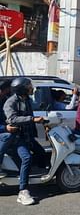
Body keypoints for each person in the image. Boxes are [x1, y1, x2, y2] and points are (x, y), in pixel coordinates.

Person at [3, 77, 46, 205]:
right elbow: (12, 119)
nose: (31, 88)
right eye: (29, 86)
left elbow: (30, 116)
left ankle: (32, 176)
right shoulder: (10, 102)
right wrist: (32, 119)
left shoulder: (26, 99)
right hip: (17, 138)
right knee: (26, 158)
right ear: (22, 89)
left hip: (28, 137)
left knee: (42, 154)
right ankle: (23, 191)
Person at [0, 80, 19, 178]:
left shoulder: (5, 100)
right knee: (7, 136)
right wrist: (5, 128)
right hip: (2, 131)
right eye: (8, 91)